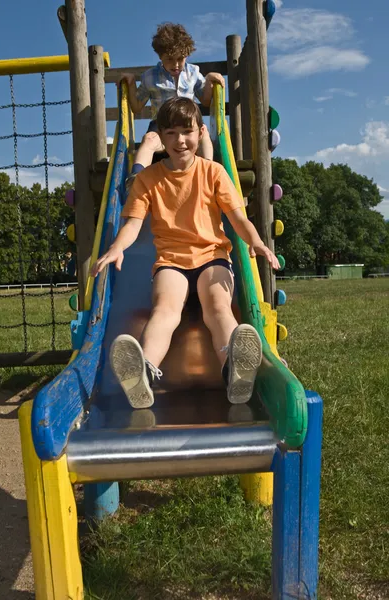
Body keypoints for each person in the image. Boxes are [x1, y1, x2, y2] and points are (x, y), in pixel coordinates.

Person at [91, 97, 280, 410]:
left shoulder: (214, 173)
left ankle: (235, 371)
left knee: (218, 305)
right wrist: (116, 247)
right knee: (165, 309)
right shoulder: (147, 180)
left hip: (212, 256)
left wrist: (257, 242)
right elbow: (133, 225)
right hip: (171, 263)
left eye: (187, 131)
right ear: (161, 138)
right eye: (172, 133)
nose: (180, 140)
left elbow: (238, 219)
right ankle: (144, 374)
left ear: (201, 133)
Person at [119, 22, 224, 187]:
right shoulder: (150, 77)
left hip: (189, 124)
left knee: (204, 137)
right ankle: (136, 176)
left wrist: (209, 80)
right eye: (169, 59)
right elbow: (137, 107)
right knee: (149, 139)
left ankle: (209, 171)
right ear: (160, 56)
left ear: (187, 55)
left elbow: (205, 100)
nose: (175, 65)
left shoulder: (193, 73)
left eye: (180, 59)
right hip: (162, 127)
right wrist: (131, 84)